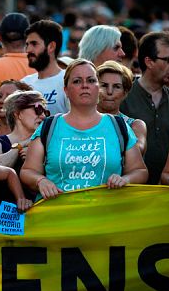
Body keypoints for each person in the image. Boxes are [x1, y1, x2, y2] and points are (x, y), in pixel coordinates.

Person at [20, 59, 148, 198]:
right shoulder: (49, 126)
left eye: (91, 80)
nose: (85, 85)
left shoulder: (119, 126)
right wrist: (41, 181)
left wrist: (126, 179)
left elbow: (140, 171)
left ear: (98, 88)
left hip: (106, 215)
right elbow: (27, 171)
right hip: (58, 217)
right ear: (66, 90)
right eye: (77, 81)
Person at [121, 31, 169, 184]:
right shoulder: (123, 97)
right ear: (149, 62)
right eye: (168, 60)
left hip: (167, 190)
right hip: (129, 189)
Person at [0, 90, 47, 179]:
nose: (43, 116)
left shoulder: (46, 142)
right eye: (38, 109)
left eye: (45, 112)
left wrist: (37, 158)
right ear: (18, 114)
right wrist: (19, 147)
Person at [97, 60, 147, 154]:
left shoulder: (135, 125)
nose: (110, 92)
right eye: (104, 85)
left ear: (125, 93)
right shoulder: (82, 122)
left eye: (117, 86)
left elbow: (136, 152)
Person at [21, 19, 69, 116]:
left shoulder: (68, 81)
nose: (28, 50)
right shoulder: (24, 83)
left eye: (34, 44)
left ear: (51, 46)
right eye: (27, 44)